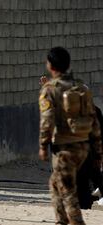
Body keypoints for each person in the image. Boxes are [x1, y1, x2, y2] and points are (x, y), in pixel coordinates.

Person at [39, 47, 102, 225]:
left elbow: (47, 120)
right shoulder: (81, 88)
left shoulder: (50, 90)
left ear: (51, 67)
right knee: (68, 185)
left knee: (64, 188)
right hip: (84, 149)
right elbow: (95, 123)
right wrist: (98, 153)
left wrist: (43, 146)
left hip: (64, 148)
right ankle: (67, 218)